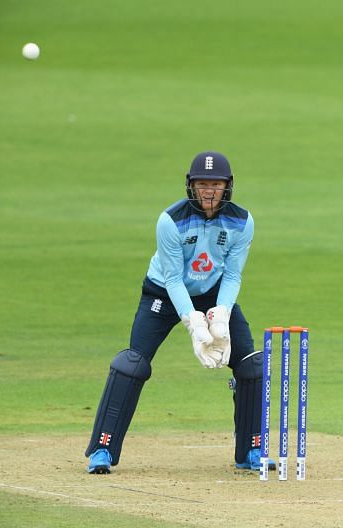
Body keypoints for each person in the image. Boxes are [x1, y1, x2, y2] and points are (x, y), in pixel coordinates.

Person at [84, 151, 271, 474]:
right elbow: (173, 278)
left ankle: (251, 451)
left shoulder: (243, 221)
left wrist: (222, 313)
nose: (209, 191)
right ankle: (102, 448)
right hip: (164, 294)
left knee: (251, 365)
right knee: (132, 364)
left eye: (215, 184)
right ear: (191, 186)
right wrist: (193, 323)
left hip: (213, 293)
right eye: (202, 184)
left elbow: (233, 275)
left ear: (227, 186)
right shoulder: (170, 220)